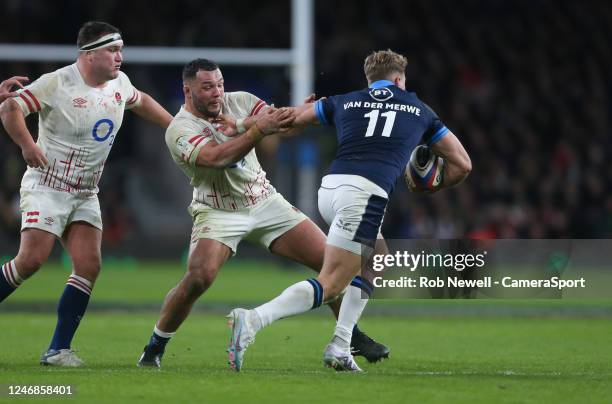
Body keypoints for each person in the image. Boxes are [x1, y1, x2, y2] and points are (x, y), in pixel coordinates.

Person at [226, 49, 472, 372]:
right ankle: (254, 320)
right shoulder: (420, 110)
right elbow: (463, 164)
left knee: (377, 255)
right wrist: (431, 184)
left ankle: (341, 345)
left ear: (369, 80)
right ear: (399, 80)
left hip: (330, 190)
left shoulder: (345, 100)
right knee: (331, 283)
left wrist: (242, 123)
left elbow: (288, 120)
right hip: (365, 195)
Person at [137, 58, 389, 368]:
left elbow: (278, 123)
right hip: (218, 211)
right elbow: (217, 157)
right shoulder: (179, 128)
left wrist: (299, 114)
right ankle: (154, 346)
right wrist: (258, 131)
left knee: (332, 264)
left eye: (219, 84)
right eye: (207, 87)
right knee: (199, 278)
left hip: (265, 200)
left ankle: (348, 337)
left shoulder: (239, 100)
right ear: (187, 90)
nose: (217, 92)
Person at [0, 21, 173, 366]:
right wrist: (27, 145)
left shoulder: (119, 84)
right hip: (47, 186)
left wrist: (176, 126)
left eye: (121, 49)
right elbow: (9, 108)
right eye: (113, 50)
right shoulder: (57, 82)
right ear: (90, 54)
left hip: (84, 192)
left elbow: (141, 102)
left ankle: (57, 350)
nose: (119, 57)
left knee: (89, 266)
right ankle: (57, 349)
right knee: (31, 260)